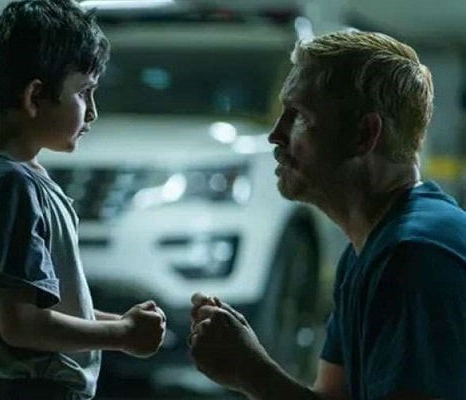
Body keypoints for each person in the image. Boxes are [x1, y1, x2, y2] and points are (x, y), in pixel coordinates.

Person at [188, 30, 466, 400]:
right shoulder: (366, 253)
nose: (276, 135)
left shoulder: (416, 258)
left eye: (299, 116)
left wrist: (252, 373)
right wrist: (247, 366)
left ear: (364, 134)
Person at [0, 1, 166, 399]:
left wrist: (118, 322)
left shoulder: (9, 176)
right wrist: (121, 335)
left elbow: (48, 308)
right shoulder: (12, 186)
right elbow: (20, 323)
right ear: (35, 96)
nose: (93, 112)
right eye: (84, 93)